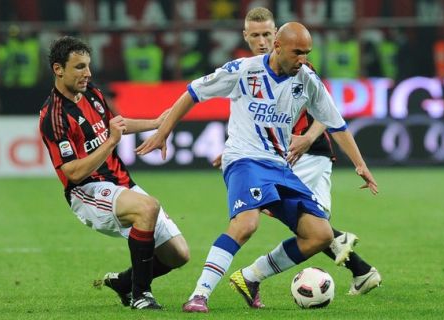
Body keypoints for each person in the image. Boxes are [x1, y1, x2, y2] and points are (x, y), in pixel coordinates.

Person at [135, 21, 378, 313]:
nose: (303, 59)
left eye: (307, 52)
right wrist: (164, 131)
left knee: (321, 235)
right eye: (297, 52)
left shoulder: (307, 79)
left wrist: (360, 165)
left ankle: (251, 277)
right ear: (278, 47)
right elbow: (193, 92)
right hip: (244, 160)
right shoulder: (242, 70)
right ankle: (199, 295)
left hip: (280, 166)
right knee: (247, 223)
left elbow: (336, 123)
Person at [220, 7, 382, 308]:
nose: (262, 41)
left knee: (309, 222)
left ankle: (349, 258)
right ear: (246, 37)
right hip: (281, 157)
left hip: (309, 153)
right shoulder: (253, 72)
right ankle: (357, 266)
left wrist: (308, 137)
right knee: (304, 222)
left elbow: (328, 113)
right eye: (255, 36)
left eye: (267, 34)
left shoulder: (299, 66)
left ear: (277, 36)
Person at [39, 36, 189, 310]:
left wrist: (157, 123)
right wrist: (110, 142)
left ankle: (123, 283)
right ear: (58, 69)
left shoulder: (92, 93)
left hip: (121, 183)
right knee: (148, 207)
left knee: (178, 255)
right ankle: (140, 294)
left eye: (88, 66)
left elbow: (116, 125)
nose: (88, 73)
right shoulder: (54, 116)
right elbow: (72, 172)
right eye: (79, 67)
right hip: (86, 192)